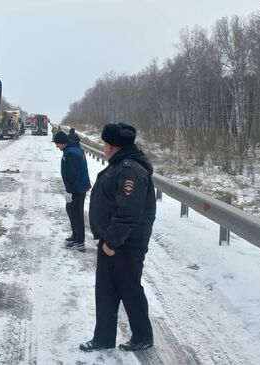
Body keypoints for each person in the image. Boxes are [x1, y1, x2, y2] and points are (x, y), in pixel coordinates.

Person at [80, 122, 156, 352]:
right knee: (106, 291)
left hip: (125, 244)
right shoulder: (121, 166)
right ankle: (103, 338)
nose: (104, 147)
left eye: (105, 143)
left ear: (112, 146)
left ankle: (142, 336)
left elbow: (128, 213)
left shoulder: (128, 170)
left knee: (129, 289)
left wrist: (112, 242)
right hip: (113, 242)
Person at [53, 130, 91, 252]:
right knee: (70, 210)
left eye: (57, 144)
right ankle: (75, 236)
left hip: (77, 189)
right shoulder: (74, 150)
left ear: (63, 142)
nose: (57, 146)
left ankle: (80, 242)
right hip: (78, 187)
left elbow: (73, 175)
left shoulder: (70, 154)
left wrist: (69, 191)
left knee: (77, 214)